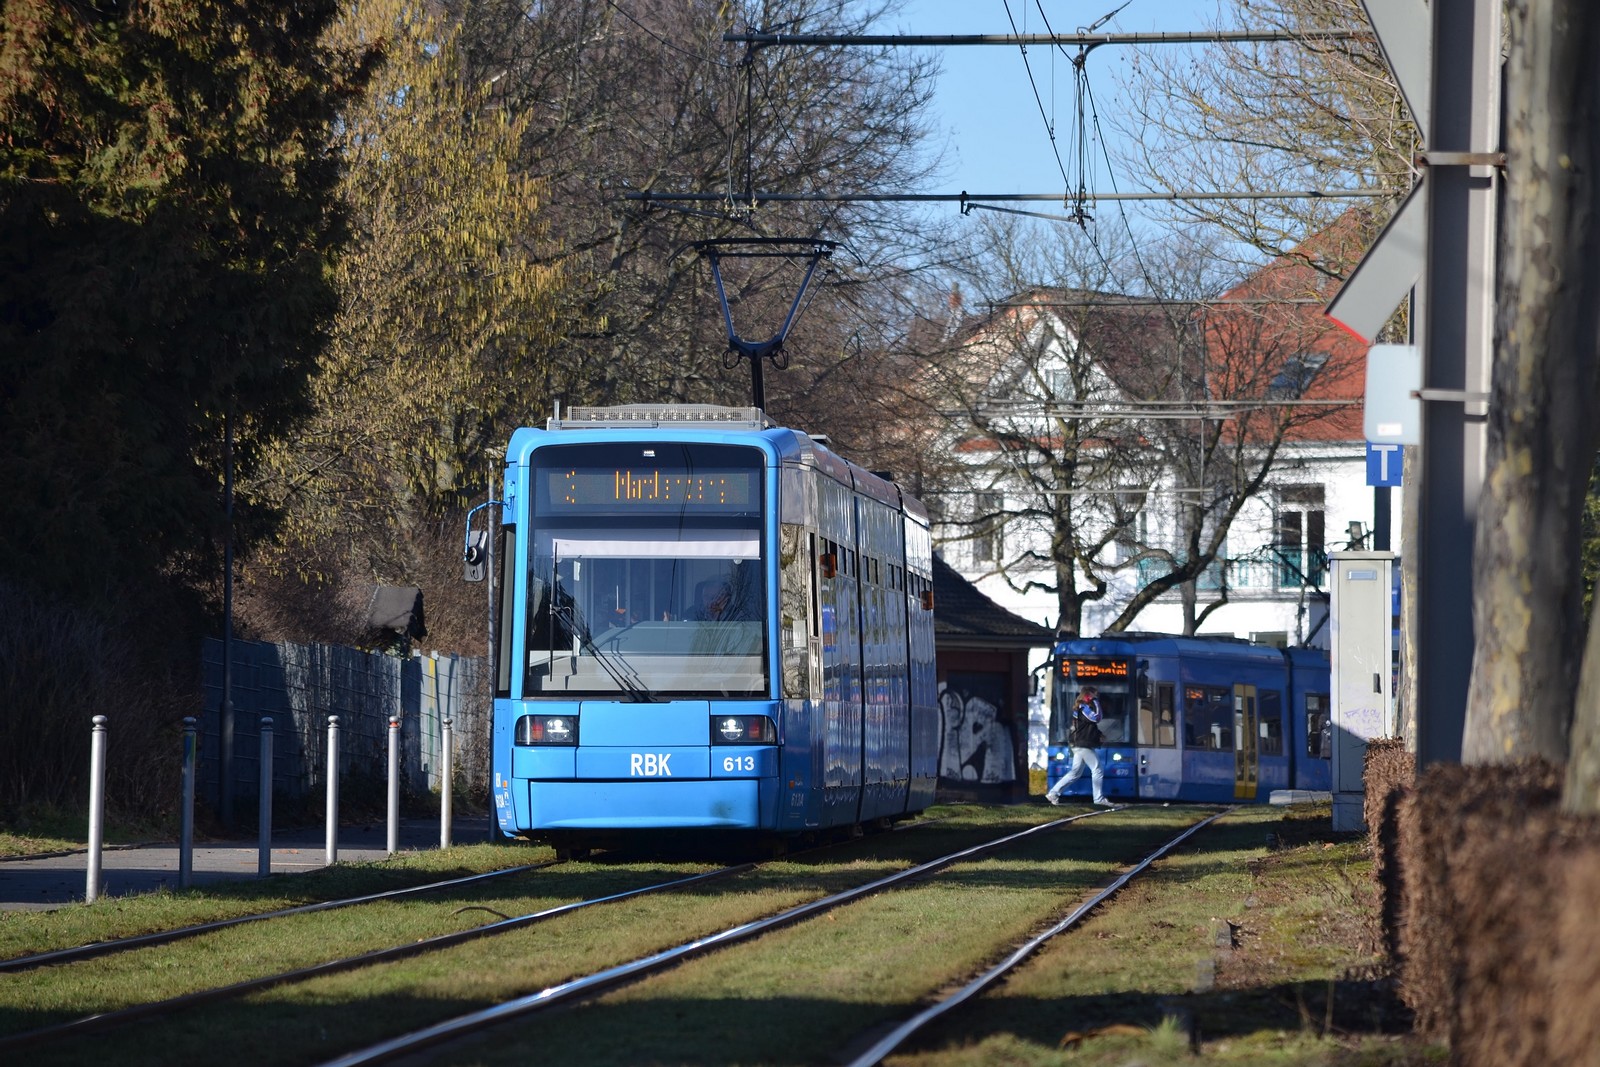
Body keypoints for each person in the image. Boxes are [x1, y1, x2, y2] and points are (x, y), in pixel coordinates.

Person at [1045, 685, 1114, 807]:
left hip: (1079, 744)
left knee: (1075, 772)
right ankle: (1098, 799)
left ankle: (1053, 793)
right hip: (1082, 745)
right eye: (1095, 695)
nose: (1097, 697)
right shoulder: (1084, 708)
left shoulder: (1081, 708)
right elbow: (1097, 718)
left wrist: (1098, 734)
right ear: (1089, 695)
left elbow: (1085, 726)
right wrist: (1096, 703)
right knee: (1097, 769)